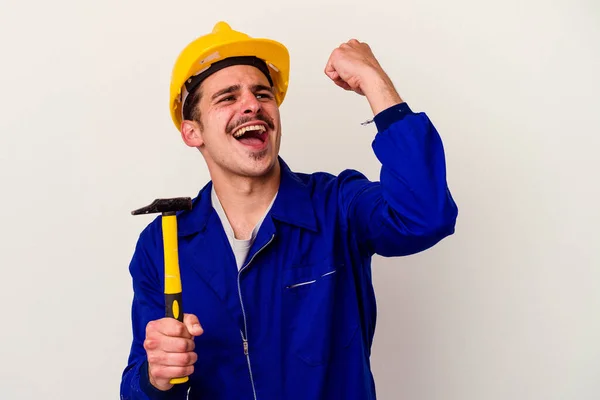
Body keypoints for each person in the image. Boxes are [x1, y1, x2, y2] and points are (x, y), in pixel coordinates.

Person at [120, 21, 458, 400]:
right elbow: (137, 389)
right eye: (227, 97)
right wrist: (156, 377)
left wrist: (373, 80)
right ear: (192, 132)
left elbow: (425, 215)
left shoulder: (337, 206)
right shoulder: (164, 244)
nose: (252, 104)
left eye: (263, 94)